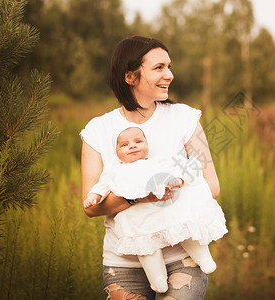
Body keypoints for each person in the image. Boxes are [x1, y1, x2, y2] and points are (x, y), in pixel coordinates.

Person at [80, 35, 224, 300]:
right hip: (123, 262)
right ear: (130, 77)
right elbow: (90, 207)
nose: (169, 75)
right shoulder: (98, 130)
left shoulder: (184, 118)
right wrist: (139, 195)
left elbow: (211, 185)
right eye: (158, 68)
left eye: (169, 66)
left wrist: (172, 182)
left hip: (183, 256)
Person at [83, 125, 227, 293]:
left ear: (147, 146)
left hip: (164, 214)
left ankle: (202, 256)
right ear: (116, 152)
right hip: (138, 220)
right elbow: (102, 186)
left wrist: (178, 179)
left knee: (182, 229)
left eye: (138, 141)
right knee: (146, 248)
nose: (132, 146)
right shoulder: (115, 171)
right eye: (125, 145)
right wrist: (94, 196)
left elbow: (179, 168)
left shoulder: (156, 161)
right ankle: (157, 279)